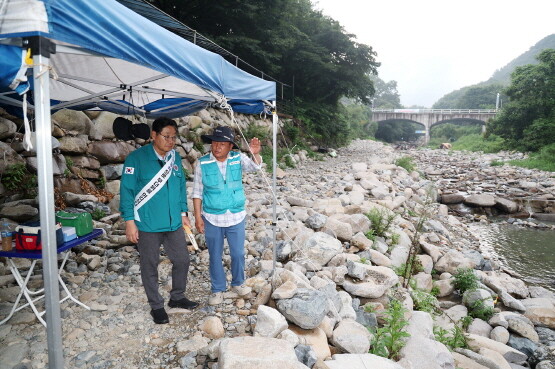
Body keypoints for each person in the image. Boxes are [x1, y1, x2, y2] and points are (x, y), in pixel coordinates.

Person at [120, 117, 198, 324]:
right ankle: (156, 306)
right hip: (147, 224)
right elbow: (126, 191)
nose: (170, 141)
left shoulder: (176, 159)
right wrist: (129, 221)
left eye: (173, 137)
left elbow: (181, 187)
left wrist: (184, 213)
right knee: (149, 264)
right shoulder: (136, 158)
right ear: (153, 135)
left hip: (173, 223)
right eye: (166, 136)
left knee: (182, 259)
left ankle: (178, 297)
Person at [192, 126, 262, 305]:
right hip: (212, 217)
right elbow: (197, 192)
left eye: (222, 144)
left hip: (236, 216)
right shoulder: (202, 163)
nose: (217, 147)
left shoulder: (238, 159)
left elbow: (255, 166)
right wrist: (198, 218)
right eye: (215, 143)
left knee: (238, 253)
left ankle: (238, 283)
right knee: (215, 255)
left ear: (231, 146)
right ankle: (217, 289)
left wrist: (255, 153)